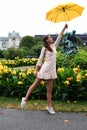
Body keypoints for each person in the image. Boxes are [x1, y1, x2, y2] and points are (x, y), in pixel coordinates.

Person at [21, 24, 68, 114]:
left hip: (51, 70)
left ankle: (49, 107)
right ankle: (25, 99)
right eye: (50, 37)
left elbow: (60, 36)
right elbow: (40, 59)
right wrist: (36, 70)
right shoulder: (44, 48)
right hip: (44, 69)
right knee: (35, 84)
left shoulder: (54, 46)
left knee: (50, 88)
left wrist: (64, 28)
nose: (51, 38)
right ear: (47, 40)